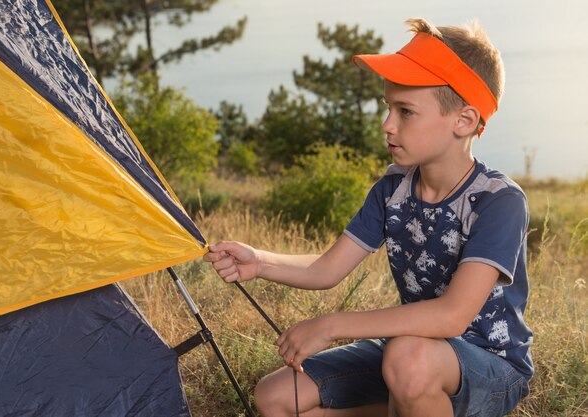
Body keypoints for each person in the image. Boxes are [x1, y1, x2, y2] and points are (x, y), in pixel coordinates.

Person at [203, 17, 533, 417]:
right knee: (275, 397)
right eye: (388, 107)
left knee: (407, 360)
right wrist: (259, 262)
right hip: (407, 350)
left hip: (488, 366)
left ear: (463, 121)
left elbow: (452, 316)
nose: (387, 125)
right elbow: (326, 268)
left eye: (406, 112)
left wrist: (331, 325)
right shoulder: (393, 188)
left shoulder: (499, 200)